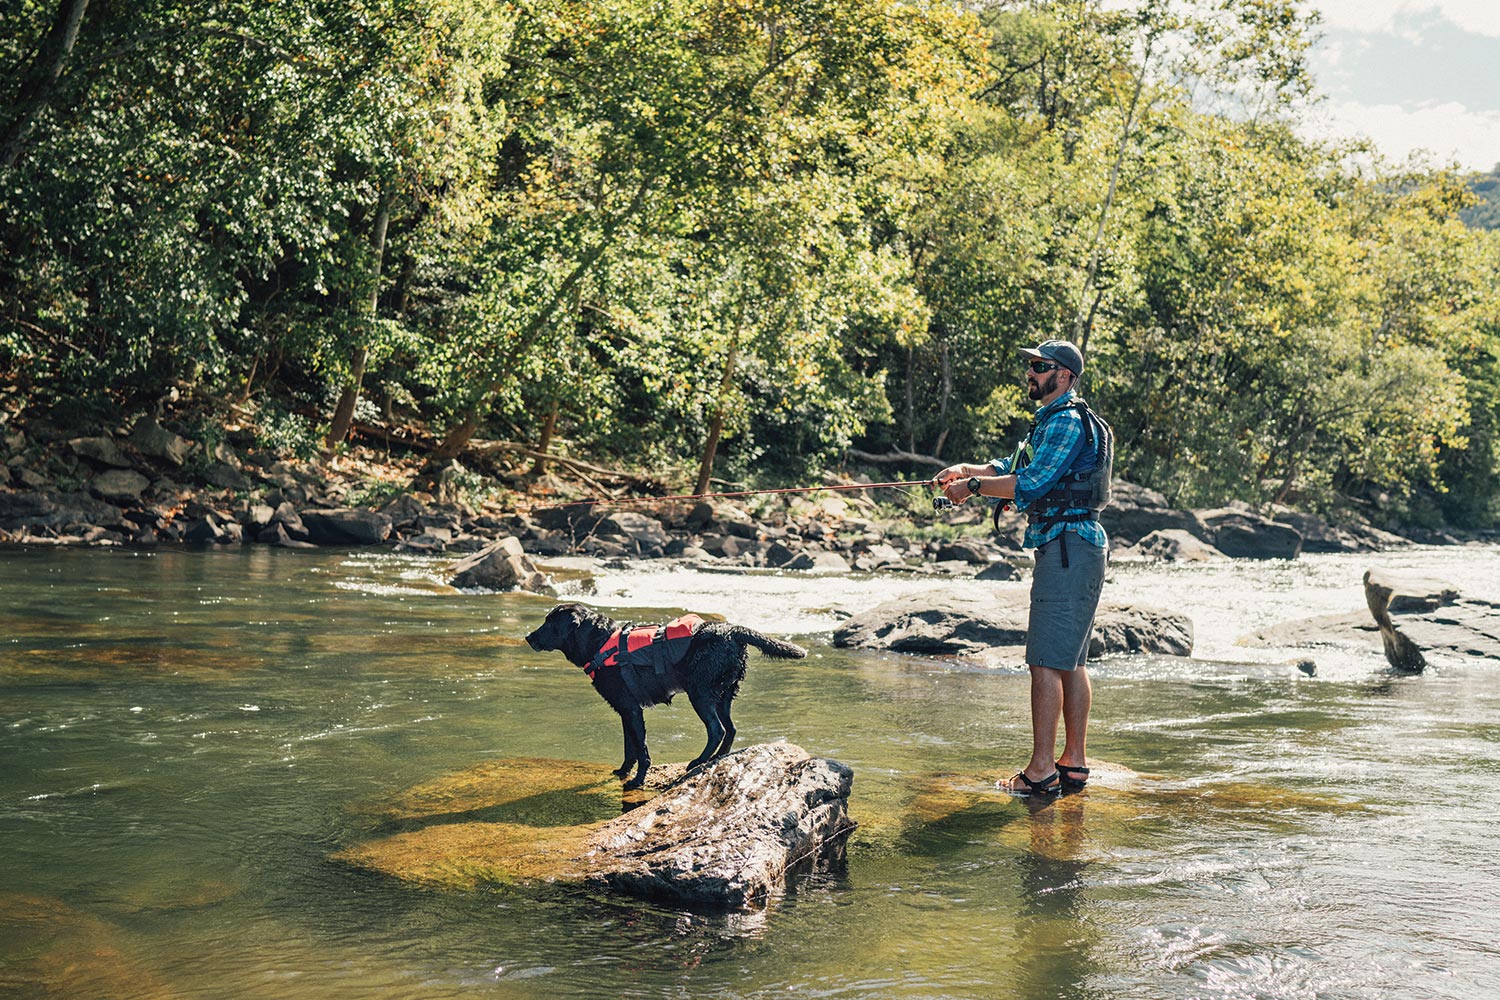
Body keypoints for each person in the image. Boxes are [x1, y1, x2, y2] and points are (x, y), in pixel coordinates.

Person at [934, 338, 1112, 796]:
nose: (1030, 373)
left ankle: (1041, 771)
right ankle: (1072, 763)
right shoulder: (1050, 422)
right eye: (1031, 365)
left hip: (1067, 547)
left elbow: (1029, 483)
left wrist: (972, 488)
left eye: (1040, 366)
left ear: (1066, 376)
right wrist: (966, 469)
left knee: (1045, 662)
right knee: (1070, 662)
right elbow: (1011, 465)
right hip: (1071, 546)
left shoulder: (1067, 422)